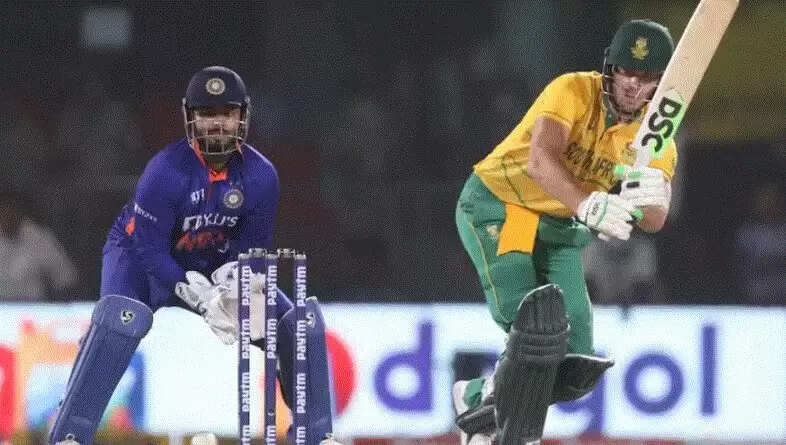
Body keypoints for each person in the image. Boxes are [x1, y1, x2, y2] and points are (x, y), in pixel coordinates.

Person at [49, 66, 340, 445]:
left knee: (298, 324)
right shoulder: (165, 171)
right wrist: (195, 294)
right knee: (122, 318)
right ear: (190, 117)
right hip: (139, 257)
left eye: (227, 113)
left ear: (242, 117)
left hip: (213, 263)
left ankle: (316, 436)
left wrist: (237, 283)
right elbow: (150, 249)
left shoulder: (261, 175)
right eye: (207, 114)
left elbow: (254, 249)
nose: (217, 124)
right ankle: (70, 435)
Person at [452, 20, 677, 444]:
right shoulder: (573, 89)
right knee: (534, 324)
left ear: (659, 82)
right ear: (610, 68)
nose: (632, 84)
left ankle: (482, 401)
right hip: (503, 205)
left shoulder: (656, 134)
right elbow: (541, 159)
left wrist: (652, 195)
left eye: (645, 76)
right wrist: (588, 204)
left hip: (558, 229)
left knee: (576, 365)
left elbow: (655, 219)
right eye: (625, 71)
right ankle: (493, 415)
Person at [0, 189, 78, 301]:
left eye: (10, 210)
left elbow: (66, 277)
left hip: (33, 307)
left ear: (19, 211)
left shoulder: (39, 236)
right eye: (3, 210)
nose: (7, 215)